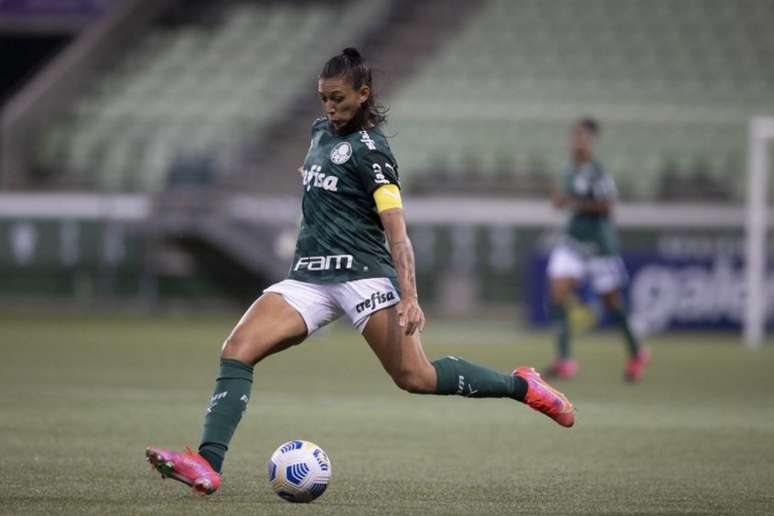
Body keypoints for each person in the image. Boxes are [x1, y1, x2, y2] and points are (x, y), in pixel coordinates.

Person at [146, 48, 575, 496]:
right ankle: (207, 464)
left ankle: (520, 385)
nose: (329, 107)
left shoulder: (373, 151)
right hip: (309, 278)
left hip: (363, 276)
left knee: (416, 377)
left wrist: (409, 295)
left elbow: (397, 230)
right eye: (323, 98)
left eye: (338, 98)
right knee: (236, 349)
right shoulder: (319, 134)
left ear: (363, 93)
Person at [545, 117, 650, 382]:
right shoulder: (569, 169)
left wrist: (574, 202)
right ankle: (565, 359)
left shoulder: (597, 172)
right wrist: (560, 200)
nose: (578, 142)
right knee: (557, 292)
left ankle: (636, 352)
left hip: (599, 246)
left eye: (583, 137)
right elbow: (560, 200)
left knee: (612, 303)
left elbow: (607, 206)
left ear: (591, 142)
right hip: (573, 242)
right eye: (575, 136)